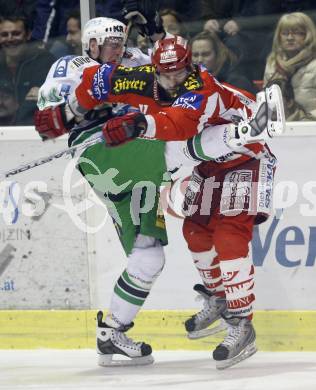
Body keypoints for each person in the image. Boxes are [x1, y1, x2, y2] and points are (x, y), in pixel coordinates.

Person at [36, 32, 283, 368]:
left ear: (190, 66)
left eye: (179, 72)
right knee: (195, 233)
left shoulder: (201, 89)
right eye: (165, 74)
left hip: (244, 154)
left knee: (229, 235)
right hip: (208, 161)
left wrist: (137, 124)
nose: (172, 81)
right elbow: (100, 80)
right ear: (153, 69)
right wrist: (67, 111)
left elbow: (178, 126)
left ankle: (241, 323)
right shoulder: (145, 78)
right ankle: (220, 298)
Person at [34, 10, 174, 367]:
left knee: (149, 256)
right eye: (111, 44)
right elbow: (47, 112)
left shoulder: (134, 60)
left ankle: (113, 331)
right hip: (99, 149)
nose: (117, 49)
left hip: (136, 161)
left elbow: (179, 78)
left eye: (120, 43)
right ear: (92, 44)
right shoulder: (71, 65)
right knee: (172, 142)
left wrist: (159, 38)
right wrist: (87, 108)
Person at [0, 13, 56, 125]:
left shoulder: (43, 61)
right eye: (4, 35)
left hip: (32, 131)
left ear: (28, 35)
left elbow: (37, 104)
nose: (10, 39)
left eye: (16, 34)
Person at [264, 12, 316, 120]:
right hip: (280, 126)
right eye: (285, 33)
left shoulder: (314, 64)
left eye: (297, 33)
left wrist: (308, 120)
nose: (290, 38)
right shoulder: (272, 64)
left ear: (308, 35)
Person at [190, 31, 256, 94]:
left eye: (206, 54)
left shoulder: (236, 82)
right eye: (195, 55)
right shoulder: (191, 80)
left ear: (217, 55)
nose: (199, 60)